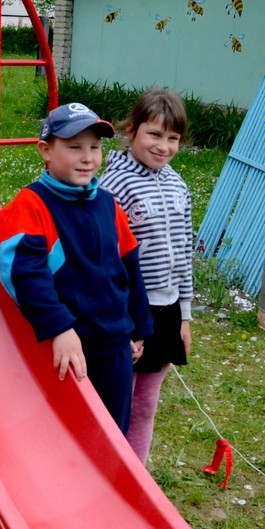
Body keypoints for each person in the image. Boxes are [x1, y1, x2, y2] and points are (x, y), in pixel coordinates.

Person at [0, 102, 152, 434]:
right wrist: (60, 329)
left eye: (94, 147)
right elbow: (25, 276)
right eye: (74, 147)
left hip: (115, 346)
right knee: (67, 434)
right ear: (45, 151)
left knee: (112, 433)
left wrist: (139, 326)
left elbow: (129, 267)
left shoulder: (108, 205)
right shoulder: (31, 206)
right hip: (67, 347)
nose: (87, 157)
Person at [98, 88, 193, 464]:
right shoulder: (114, 186)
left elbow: (184, 253)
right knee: (116, 402)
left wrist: (185, 316)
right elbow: (105, 260)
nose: (164, 146)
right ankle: (107, 470)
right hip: (129, 312)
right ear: (132, 130)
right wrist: (119, 322)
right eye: (154, 134)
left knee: (146, 402)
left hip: (167, 310)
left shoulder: (178, 186)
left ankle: (136, 474)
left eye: (173, 138)